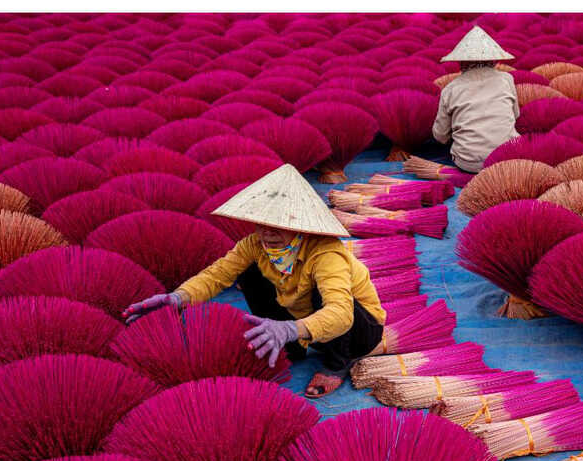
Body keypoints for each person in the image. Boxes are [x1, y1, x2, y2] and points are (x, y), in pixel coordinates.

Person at [122, 164, 385, 398]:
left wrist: (289, 329)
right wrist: (178, 297)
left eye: (278, 225)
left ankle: (336, 365)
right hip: (303, 323)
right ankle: (291, 349)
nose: (267, 233)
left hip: (358, 331)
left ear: (299, 224)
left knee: (322, 295)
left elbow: (341, 314)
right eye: (261, 224)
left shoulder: (326, 253)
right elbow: (217, 275)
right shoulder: (254, 245)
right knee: (248, 273)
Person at [431, 26, 520, 174]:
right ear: (493, 60)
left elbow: (440, 135)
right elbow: (515, 115)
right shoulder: (507, 79)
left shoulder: (450, 89)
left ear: (461, 62)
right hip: (509, 157)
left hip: (469, 163)